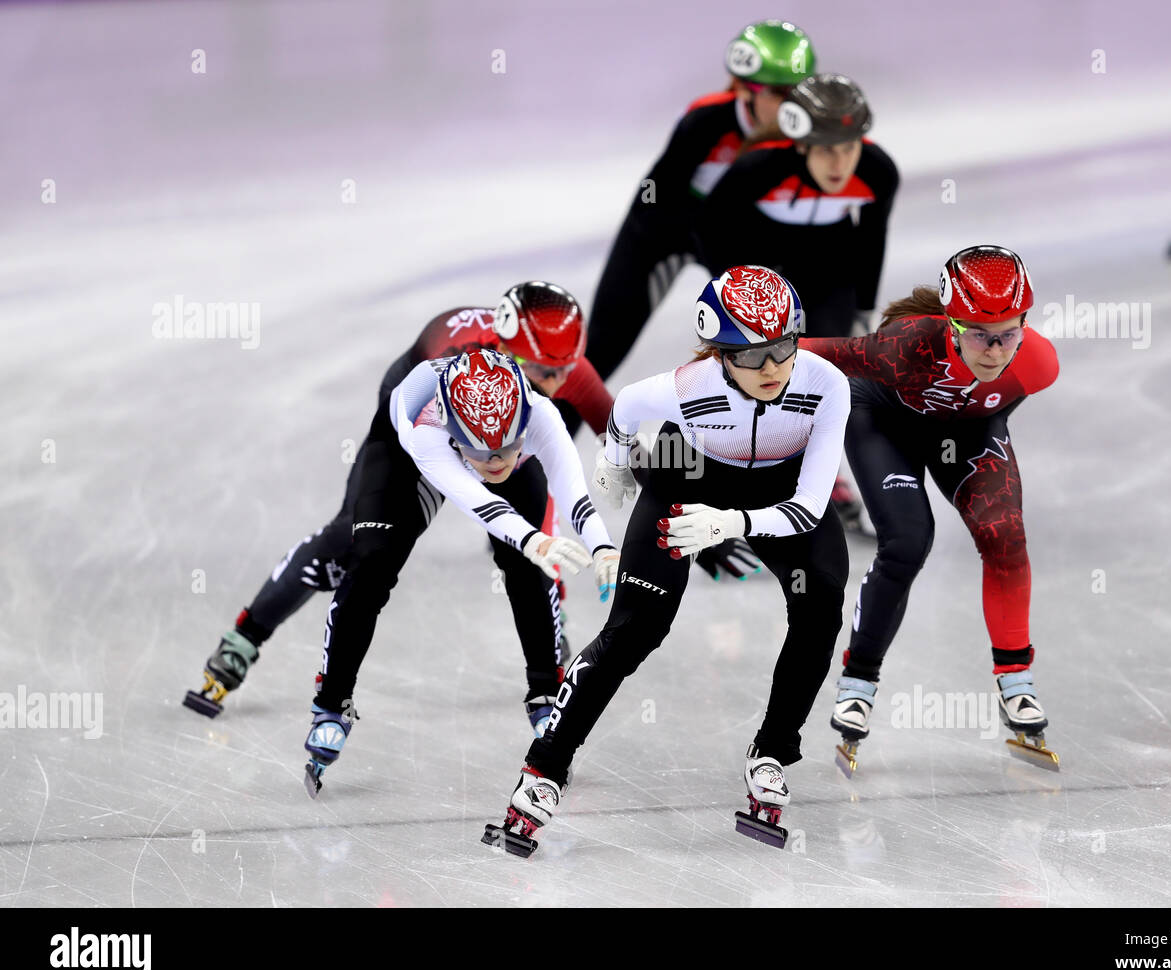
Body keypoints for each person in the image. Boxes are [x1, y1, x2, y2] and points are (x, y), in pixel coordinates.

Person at [483, 264, 851, 855]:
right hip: (687, 480)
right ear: (720, 353)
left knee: (822, 603)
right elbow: (626, 404)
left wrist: (733, 524)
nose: (772, 368)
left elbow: (809, 507)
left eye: (782, 347)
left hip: (781, 495)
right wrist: (619, 460)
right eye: (750, 355)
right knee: (635, 628)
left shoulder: (826, 383)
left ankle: (774, 750)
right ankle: (545, 767)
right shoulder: (685, 386)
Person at [185, 285, 612, 731]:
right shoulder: (438, 379)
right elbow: (461, 489)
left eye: (565, 368)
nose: (559, 383)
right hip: (416, 427)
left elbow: (616, 434)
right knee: (352, 545)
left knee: (530, 549)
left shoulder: (552, 369)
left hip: (493, 433)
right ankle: (246, 635)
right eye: (545, 372)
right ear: (506, 350)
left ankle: (546, 641)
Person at [302, 348, 622, 796]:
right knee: (372, 562)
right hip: (401, 454)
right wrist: (533, 537)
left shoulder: (541, 415)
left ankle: (546, 691)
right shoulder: (427, 430)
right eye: (481, 450)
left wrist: (603, 546)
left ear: (524, 422)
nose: (495, 462)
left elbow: (573, 493)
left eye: (508, 446)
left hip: (482, 437)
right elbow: (479, 502)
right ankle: (332, 701)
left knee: (528, 566)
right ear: (455, 430)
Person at [798, 246, 1061, 770]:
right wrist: (728, 357)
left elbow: (991, 404)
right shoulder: (903, 347)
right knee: (908, 543)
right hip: (882, 422)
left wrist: (970, 416)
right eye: (979, 335)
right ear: (950, 324)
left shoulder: (1039, 363)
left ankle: (1017, 682)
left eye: (1010, 334)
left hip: (965, 431)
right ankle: (858, 682)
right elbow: (809, 351)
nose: (995, 351)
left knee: (1004, 537)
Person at [583, 19, 817, 380]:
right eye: (779, 93)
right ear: (744, 89)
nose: (792, 106)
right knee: (600, 352)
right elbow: (650, 204)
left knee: (782, 345)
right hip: (664, 233)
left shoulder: (808, 137)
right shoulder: (705, 122)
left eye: (798, 93)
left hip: (731, 237)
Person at [696, 72, 899, 340]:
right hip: (761, 252)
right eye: (827, 150)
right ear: (802, 145)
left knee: (824, 347)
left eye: (849, 147)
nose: (840, 165)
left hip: (829, 257)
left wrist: (863, 309)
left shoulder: (878, 171)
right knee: (767, 348)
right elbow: (709, 229)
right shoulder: (759, 168)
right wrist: (731, 291)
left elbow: (872, 239)